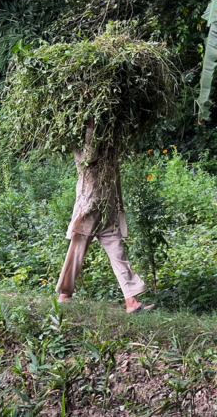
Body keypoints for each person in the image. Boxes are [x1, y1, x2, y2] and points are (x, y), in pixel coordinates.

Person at [56, 125, 154, 313]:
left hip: (107, 208)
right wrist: (91, 127)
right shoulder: (80, 146)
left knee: (118, 253)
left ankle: (131, 301)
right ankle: (64, 294)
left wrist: (118, 206)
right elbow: (90, 156)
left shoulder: (109, 147)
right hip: (90, 206)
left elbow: (115, 177)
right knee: (77, 250)